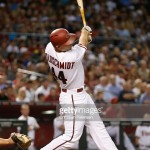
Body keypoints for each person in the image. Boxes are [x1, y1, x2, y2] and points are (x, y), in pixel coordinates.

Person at [41, 26, 118, 150]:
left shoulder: (49, 47)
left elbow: (81, 43)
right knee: (70, 138)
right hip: (73, 98)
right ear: (59, 47)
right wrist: (85, 32)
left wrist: (86, 37)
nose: (70, 44)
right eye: (67, 43)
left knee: (98, 128)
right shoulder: (70, 57)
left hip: (80, 95)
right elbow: (82, 43)